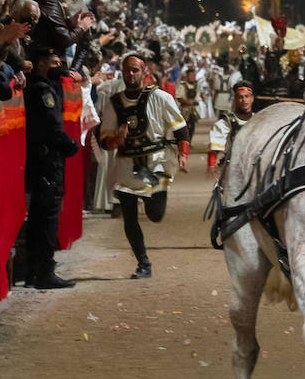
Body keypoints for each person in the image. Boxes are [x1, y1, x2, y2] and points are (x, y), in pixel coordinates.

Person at [99, 52, 191, 278]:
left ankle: (157, 196)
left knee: (155, 214)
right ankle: (143, 263)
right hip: (125, 167)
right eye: (127, 70)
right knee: (129, 217)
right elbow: (104, 140)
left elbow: (181, 128)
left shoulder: (160, 97)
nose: (130, 74)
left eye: (135, 70)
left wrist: (183, 153)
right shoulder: (115, 103)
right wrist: (114, 140)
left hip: (153, 166)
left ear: (144, 72)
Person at [23, 45, 80, 288]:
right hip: (48, 162)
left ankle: (35, 271)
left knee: (39, 216)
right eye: (55, 63)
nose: (59, 68)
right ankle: (44, 272)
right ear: (43, 63)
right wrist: (71, 145)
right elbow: (52, 126)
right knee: (47, 217)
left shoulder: (40, 87)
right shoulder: (42, 90)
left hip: (40, 160)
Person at [207, 80, 254, 179]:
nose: (244, 100)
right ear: (235, 99)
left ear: (252, 99)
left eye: (247, 96)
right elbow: (215, 147)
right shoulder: (225, 122)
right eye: (240, 97)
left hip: (254, 167)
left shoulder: (258, 120)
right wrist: (211, 165)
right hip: (231, 168)